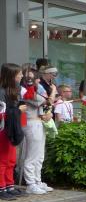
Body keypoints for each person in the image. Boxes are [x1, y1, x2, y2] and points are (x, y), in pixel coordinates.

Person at [20, 66, 53, 194]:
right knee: (32, 156)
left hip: (38, 122)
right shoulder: (25, 91)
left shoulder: (35, 89)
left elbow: (47, 103)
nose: (38, 81)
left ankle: (37, 181)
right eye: (35, 78)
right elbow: (45, 101)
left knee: (39, 155)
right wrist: (53, 92)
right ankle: (30, 183)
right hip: (31, 122)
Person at [0, 63, 24, 200]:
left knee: (11, 160)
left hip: (12, 128)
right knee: (2, 160)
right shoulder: (2, 92)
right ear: (11, 76)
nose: (21, 76)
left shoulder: (15, 89)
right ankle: (1, 187)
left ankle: (9, 185)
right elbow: (2, 113)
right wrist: (18, 110)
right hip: (3, 129)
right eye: (19, 74)